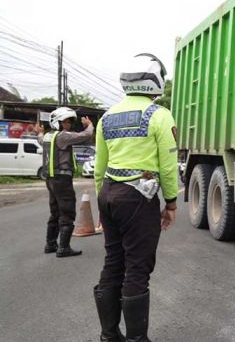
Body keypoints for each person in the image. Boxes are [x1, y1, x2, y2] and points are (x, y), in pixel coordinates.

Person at [93, 53, 179, 342]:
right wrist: (171, 202)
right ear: (154, 81)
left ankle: (108, 335)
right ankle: (137, 339)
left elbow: (99, 166)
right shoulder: (160, 115)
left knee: (113, 261)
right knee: (137, 267)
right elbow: (168, 166)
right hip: (137, 198)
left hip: (108, 194)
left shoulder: (107, 117)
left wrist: (104, 206)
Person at [42, 107, 94, 257]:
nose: (68, 125)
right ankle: (63, 248)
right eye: (65, 122)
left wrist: (38, 131)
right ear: (57, 122)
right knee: (67, 212)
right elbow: (86, 135)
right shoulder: (63, 136)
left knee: (55, 212)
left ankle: (50, 244)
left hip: (50, 179)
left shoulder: (48, 136)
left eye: (70, 122)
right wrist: (89, 125)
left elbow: (39, 138)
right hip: (61, 180)